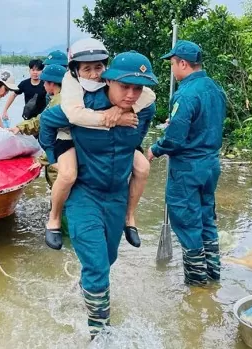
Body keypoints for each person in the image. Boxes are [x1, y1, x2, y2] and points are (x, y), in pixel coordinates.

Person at [40, 51, 157, 339]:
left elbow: (135, 141)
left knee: (109, 258)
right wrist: (56, 156)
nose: (131, 94)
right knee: (97, 265)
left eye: (137, 88)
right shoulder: (82, 107)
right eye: (124, 86)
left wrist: (123, 116)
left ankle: (88, 289)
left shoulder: (144, 109)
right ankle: (100, 334)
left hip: (117, 195)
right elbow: (46, 122)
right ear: (108, 80)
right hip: (85, 195)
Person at [44, 38, 156, 250]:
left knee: (143, 167)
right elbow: (60, 119)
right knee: (67, 174)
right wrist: (52, 157)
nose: (94, 74)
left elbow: (147, 100)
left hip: (113, 148)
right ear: (75, 71)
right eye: (87, 69)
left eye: (99, 67)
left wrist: (124, 112)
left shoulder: (121, 90)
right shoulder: (71, 91)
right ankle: (54, 218)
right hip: (67, 135)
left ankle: (130, 217)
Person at [147, 40, 226, 286]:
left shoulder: (186, 93)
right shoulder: (215, 89)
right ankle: (213, 276)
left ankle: (196, 286)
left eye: (172, 63)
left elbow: (175, 138)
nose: (172, 69)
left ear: (183, 63)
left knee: (187, 223)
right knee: (205, 220)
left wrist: (154, 149)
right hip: (210, 165)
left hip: (187, 169)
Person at [1, 59, 47, 125]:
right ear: (29, 70)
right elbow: (13, 94)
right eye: (33, 70)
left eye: (38, 70)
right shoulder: (24, 83)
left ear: (42, 71)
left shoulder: (45, 84)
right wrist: (5, 110)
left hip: (41, 118)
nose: (35, 72)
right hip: (27, 117)